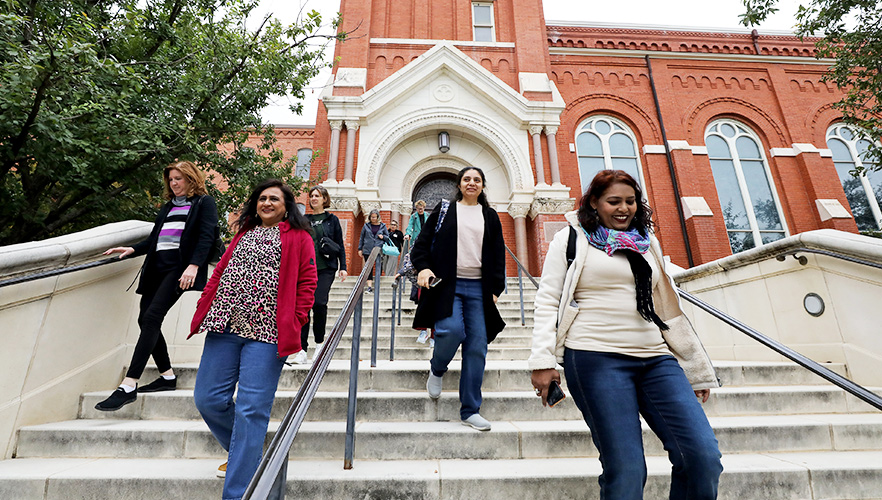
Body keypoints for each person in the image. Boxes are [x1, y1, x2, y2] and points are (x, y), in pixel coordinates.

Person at [529, 170, 722, 499]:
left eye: (630, 201)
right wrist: (543, 359)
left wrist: (694, 369)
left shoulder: (648, 241)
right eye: (613, 201)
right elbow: (548, 299)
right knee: (627, 468)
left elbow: (668, 306)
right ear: (594, 202)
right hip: (595, 358)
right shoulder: (572, 239)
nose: (624, 208)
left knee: (702, 457)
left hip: (656, 358)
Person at [190, 179, 317, 500]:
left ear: (287, 205)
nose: (267, 203)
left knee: (251, 411)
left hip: (267, 332)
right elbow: (220, 271)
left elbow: (308, 282)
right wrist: (207, 299)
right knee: (208, 399)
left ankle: (240, 494)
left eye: (274, 198)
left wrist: (296, 319)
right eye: (262, 198)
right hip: (225, 325)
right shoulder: (243, 233)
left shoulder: (299, 237)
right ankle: (259, 463)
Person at [95, 161, 219, 411]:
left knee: (152, 317)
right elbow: (155, 238)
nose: (174, 184)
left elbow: (207, 236)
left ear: (191, 179)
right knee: (145, 320)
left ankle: (129, 385)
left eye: (179, 179)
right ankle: (167, 376)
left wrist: (194, 265)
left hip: (178, 267)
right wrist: (132, 249)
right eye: (171, 179)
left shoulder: (204, 203)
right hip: (156, 267)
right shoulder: (168, 206)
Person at [411, 166, 506, 432]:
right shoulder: (444, 211)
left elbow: (498, 254)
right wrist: (425, 268)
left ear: (483, 185)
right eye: (467, 179)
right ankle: (437, 368)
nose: (472, 183)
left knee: (477, 347)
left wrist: (496, 289)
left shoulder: (490, 216)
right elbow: (421, 246)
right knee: (451, 330)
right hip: (447, 285)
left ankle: (470, 410)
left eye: (477, 179)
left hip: (479, 287)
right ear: (459, 184)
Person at [297, 185, 348, 364]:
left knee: (319, 302)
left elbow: (339, 244)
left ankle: (319, 344)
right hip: (305, 268)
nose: (313, 199)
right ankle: (302, 349)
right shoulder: (304, 220)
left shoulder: (331, 219)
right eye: (311, 196)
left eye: (317, 196)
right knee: (303, 306)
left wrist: (344, 266)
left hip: (326, 267)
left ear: (325, 199)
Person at [358, 208, 389, 292]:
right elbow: (362, 237)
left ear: (378, 217)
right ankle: (369, 287)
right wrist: (360, 248)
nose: (373, 218)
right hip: (367, 249)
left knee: (379, 266)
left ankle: (378, 284)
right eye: (372, 217)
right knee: (369, 268)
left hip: (379, 249)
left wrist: (383, 237)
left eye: (375, 217)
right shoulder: (366, 226)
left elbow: (388, 237)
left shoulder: (383, 226)